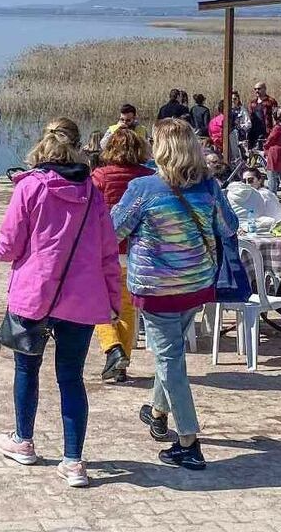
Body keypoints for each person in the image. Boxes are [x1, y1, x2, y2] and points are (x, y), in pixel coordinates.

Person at [0, 118, 119, 489]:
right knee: (71, 378)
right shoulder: (92, 193)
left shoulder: (29, 186)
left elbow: (10, 243)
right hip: (81, 300)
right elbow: (108, 251)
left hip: (34, 297)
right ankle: (74, 462)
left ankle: (23, 440)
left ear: (40, 152)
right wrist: (113, 298)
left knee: (26, 371)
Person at [114, 118, 238, 471]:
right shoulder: (209, 187)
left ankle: (189, 441)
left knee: (171, 361)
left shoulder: (143, 188)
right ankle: (157, 412)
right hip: (196, 284)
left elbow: (114, 230)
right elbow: (229, 227)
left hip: (157, 289)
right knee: (171, 354)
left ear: (160, 147)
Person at [90, 127, 153, 384]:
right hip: (137, 251)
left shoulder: (100, 176)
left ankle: (112, 347)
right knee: (127, 308)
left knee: (98, 304)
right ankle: (121, 363)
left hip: (106, 249)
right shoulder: (149, 176)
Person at [263, 107, 281, 199]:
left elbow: (270, 139)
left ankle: (272, 194)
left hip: (275, 152)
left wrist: (265, 146)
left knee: (271, 173)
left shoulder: (277, 127)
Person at [247, 82, 279, 148]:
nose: (257, 91)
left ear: (264, 89)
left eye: (259, 89)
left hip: (267, 132)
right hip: (254, 133)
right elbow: (249, 117)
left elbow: (276, 117)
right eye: (255, 89)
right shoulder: (252, 102)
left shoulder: (271, 101)